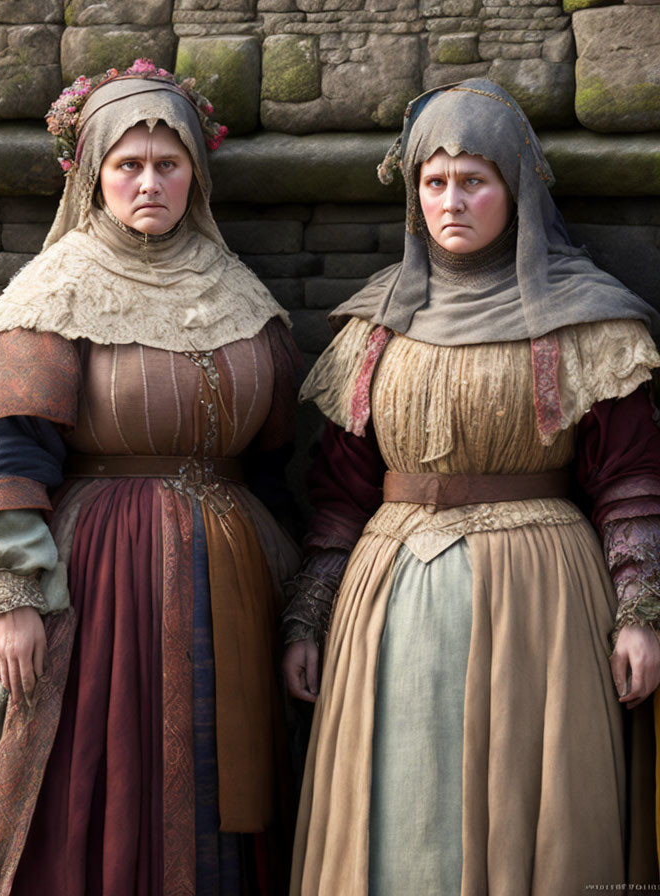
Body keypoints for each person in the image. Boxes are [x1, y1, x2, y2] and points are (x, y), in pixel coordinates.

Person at [282, 79, 660, 895]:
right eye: (434, 182)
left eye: (474, 181)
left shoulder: (586, 320)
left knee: (537, 809)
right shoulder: (375, 326)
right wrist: (307, 617)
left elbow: (629, 479)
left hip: (542, 604)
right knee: (399, 809)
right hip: (386, 607)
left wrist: (640, 613)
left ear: (515, 187)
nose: (451, 201)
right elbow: (340, 491)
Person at [0, 59, 301, 895]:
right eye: (129, 166)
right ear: (94, 176)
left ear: (195, 175)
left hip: (235, 579)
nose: (150, 182)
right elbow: (8, 451)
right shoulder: (54, 291)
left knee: (228, 774)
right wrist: (14, 599)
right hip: (100, 579)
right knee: (97, 772)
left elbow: (281, 455)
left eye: (168, 164)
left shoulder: (239, 290)